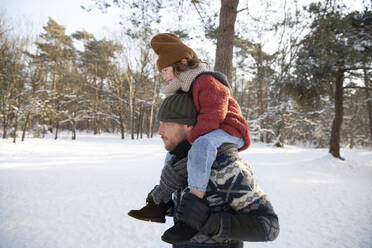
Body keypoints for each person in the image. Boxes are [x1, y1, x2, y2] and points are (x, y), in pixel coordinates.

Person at [129, 33, 252, 243]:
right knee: (173, 153)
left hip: (230, 130)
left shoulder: (205, 80)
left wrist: (191, 140)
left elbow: (214, 115)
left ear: (183, 63)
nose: (165, 76)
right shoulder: (188, 84)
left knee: (200, 145)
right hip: (213, 130)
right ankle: (160, 202)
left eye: (166, 70)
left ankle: (193, 207)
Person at [131, 92, 279, 247]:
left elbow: (270, 226)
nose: (159, 131)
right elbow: (193, 210)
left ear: (188, 125)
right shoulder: (179, 165)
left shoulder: (225, 166)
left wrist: (211, 222)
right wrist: (169, 206)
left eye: (166, 124)